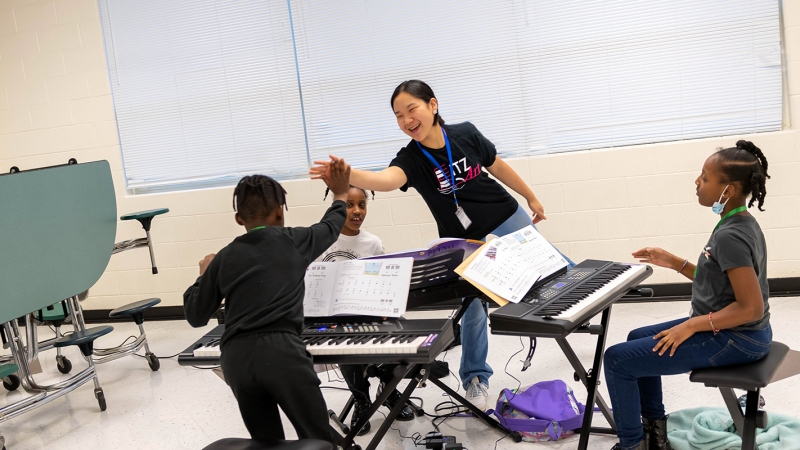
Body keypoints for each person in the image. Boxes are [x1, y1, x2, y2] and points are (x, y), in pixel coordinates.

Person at [310, 79, 573, 411]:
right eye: (398, 115)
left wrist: (530, 197)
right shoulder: (412, 158)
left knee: (558, 266)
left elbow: (497, 166)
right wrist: (347, 174)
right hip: (460, 236)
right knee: (474, 309)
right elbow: (386, 180)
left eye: (412, 109)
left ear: (432, 105)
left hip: (503, 212)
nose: (406, 119)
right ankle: (476, 377)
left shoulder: (464, 134)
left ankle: (596, 301)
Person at [604, 140, 772, 450]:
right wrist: (674, 262)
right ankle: (654, 434)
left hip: (737, 338)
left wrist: (691, 325)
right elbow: (717, 284)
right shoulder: (738, 223)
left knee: (616, 361)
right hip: (740, 333)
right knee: (634, 336)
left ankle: (632, 446)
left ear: (729, 189)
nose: (697, 181)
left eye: (705, 177)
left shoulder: (731, 236)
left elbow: (751, 308)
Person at [183, 161, 351, 446]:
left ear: (239, 219)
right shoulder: (293, 240)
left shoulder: (224, 257)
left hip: (236, 359)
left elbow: (195, 315)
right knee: (318, 439)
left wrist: (202, 276)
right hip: (282, 354)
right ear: (279, 212)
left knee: (267, 443)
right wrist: (339, 194)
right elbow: (331, 226)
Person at [317, 186, 415, 436]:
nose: (357, 210)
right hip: (336, 317)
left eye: (362, 204)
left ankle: (389, 389)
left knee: (408, 337)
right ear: (338, 205)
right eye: (350, 204)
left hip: (370, 311)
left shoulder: (373, 243)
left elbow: (385, 283)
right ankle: (361, 399)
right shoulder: (321, 240)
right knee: (345, 347)